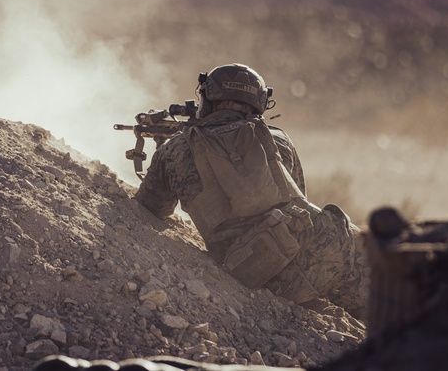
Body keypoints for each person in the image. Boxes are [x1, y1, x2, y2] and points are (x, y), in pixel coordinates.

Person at [133, 63, 369, 319]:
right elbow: (298, 200)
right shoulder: (278, 138)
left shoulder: (174, 149)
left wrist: (162, 150)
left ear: (208, 99)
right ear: (259, 104)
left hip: (261, 267)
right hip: (328, 241)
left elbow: (152, 207)